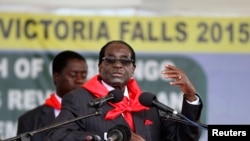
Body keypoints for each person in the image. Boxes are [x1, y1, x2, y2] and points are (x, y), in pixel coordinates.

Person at [46, 40, 203, 141]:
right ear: (100, 66)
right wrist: (111, 137)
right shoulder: (79, 99)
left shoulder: (148, 103)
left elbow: (183, 138)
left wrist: (190, 96)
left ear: (133, 69)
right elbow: (57, 136)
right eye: (110, 60)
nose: (118, 65)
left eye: (125, 61)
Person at [16, 50, 88, 141]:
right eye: (73, 75)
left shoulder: (94, 114)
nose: (80, 80)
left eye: (84, 75)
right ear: (56, 76)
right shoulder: (29, 120)